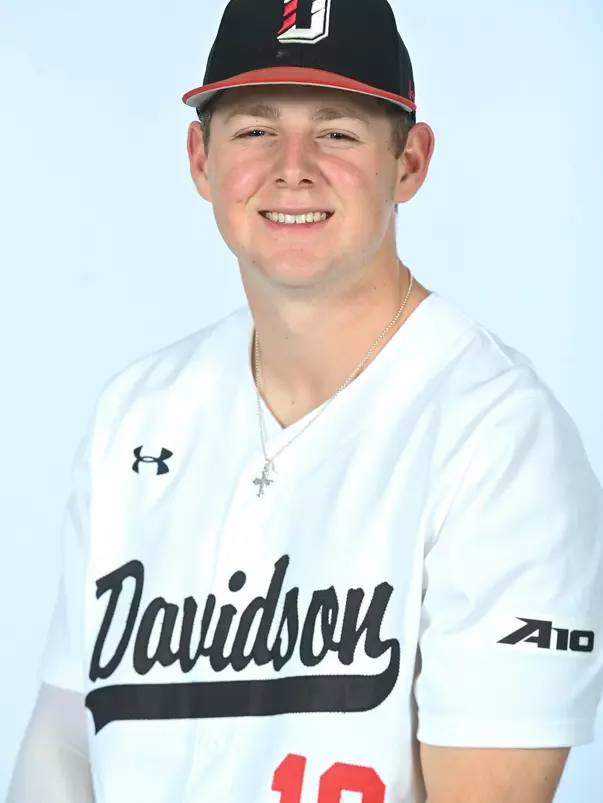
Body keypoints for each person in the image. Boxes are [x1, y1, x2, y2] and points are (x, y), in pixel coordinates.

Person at [7, 0, 603, 801]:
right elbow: (65, 743)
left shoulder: (497, 438)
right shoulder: (137, 415)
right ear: (200, 158)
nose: (293, 165)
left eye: (338, 132)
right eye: (255, 129)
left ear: (410, 162)